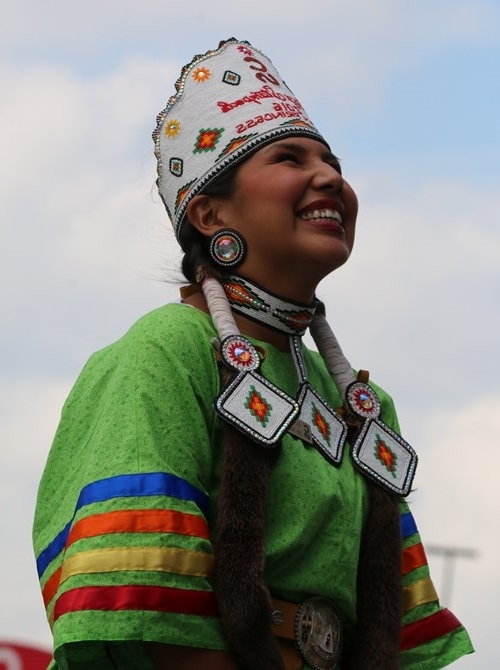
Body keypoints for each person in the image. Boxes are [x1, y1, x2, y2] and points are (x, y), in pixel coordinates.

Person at [33, 38, 473, 670]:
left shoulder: (364, 407)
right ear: (210, 213)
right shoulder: (168, 350)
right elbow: (144, 607)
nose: (329, 177)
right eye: (290, 158)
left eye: (333, 161)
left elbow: (403, 640)